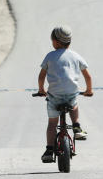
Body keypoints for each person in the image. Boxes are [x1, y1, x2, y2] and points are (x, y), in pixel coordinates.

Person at [36, 25, 93, 163]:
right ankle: (76, 127)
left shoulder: (50, 56)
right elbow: (88, 77)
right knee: (73, 104)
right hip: (71, 92)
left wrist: (41, 90)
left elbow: (41, 76)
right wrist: (89, 90)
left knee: (52, 124)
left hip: (54, 95)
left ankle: (49, 150)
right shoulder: (76, 56)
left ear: (56, 41)